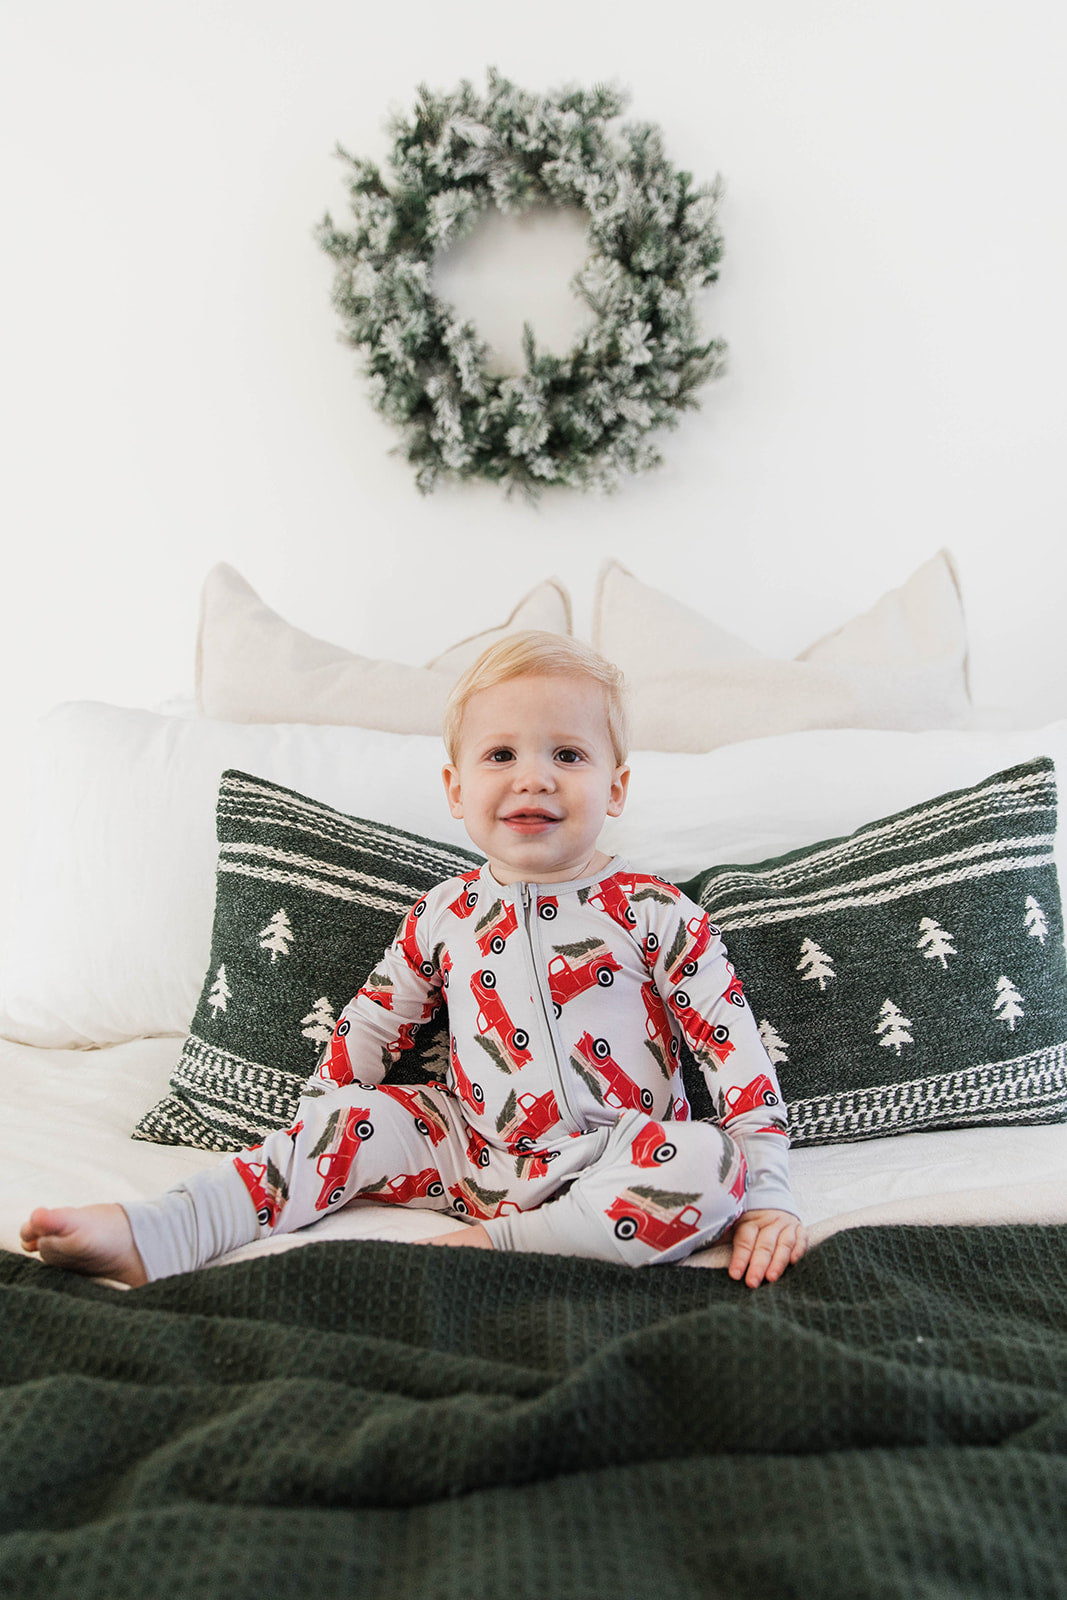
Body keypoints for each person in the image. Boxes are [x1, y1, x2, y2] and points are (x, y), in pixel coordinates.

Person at [21, 632, 807, 1288]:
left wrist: (769, 1195)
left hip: (616, 1154)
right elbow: (374, 1020)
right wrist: (322, 1119)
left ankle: (504, 1250)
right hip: (465, 1150)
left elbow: (731, 1051)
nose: (533, 774)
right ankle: (167, 1229)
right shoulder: (445, 913)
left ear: (616, 787)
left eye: (567, 753)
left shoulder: (655, 911)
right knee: (355, 1119)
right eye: (500, 754)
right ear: (455, 789)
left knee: (711, 1164)